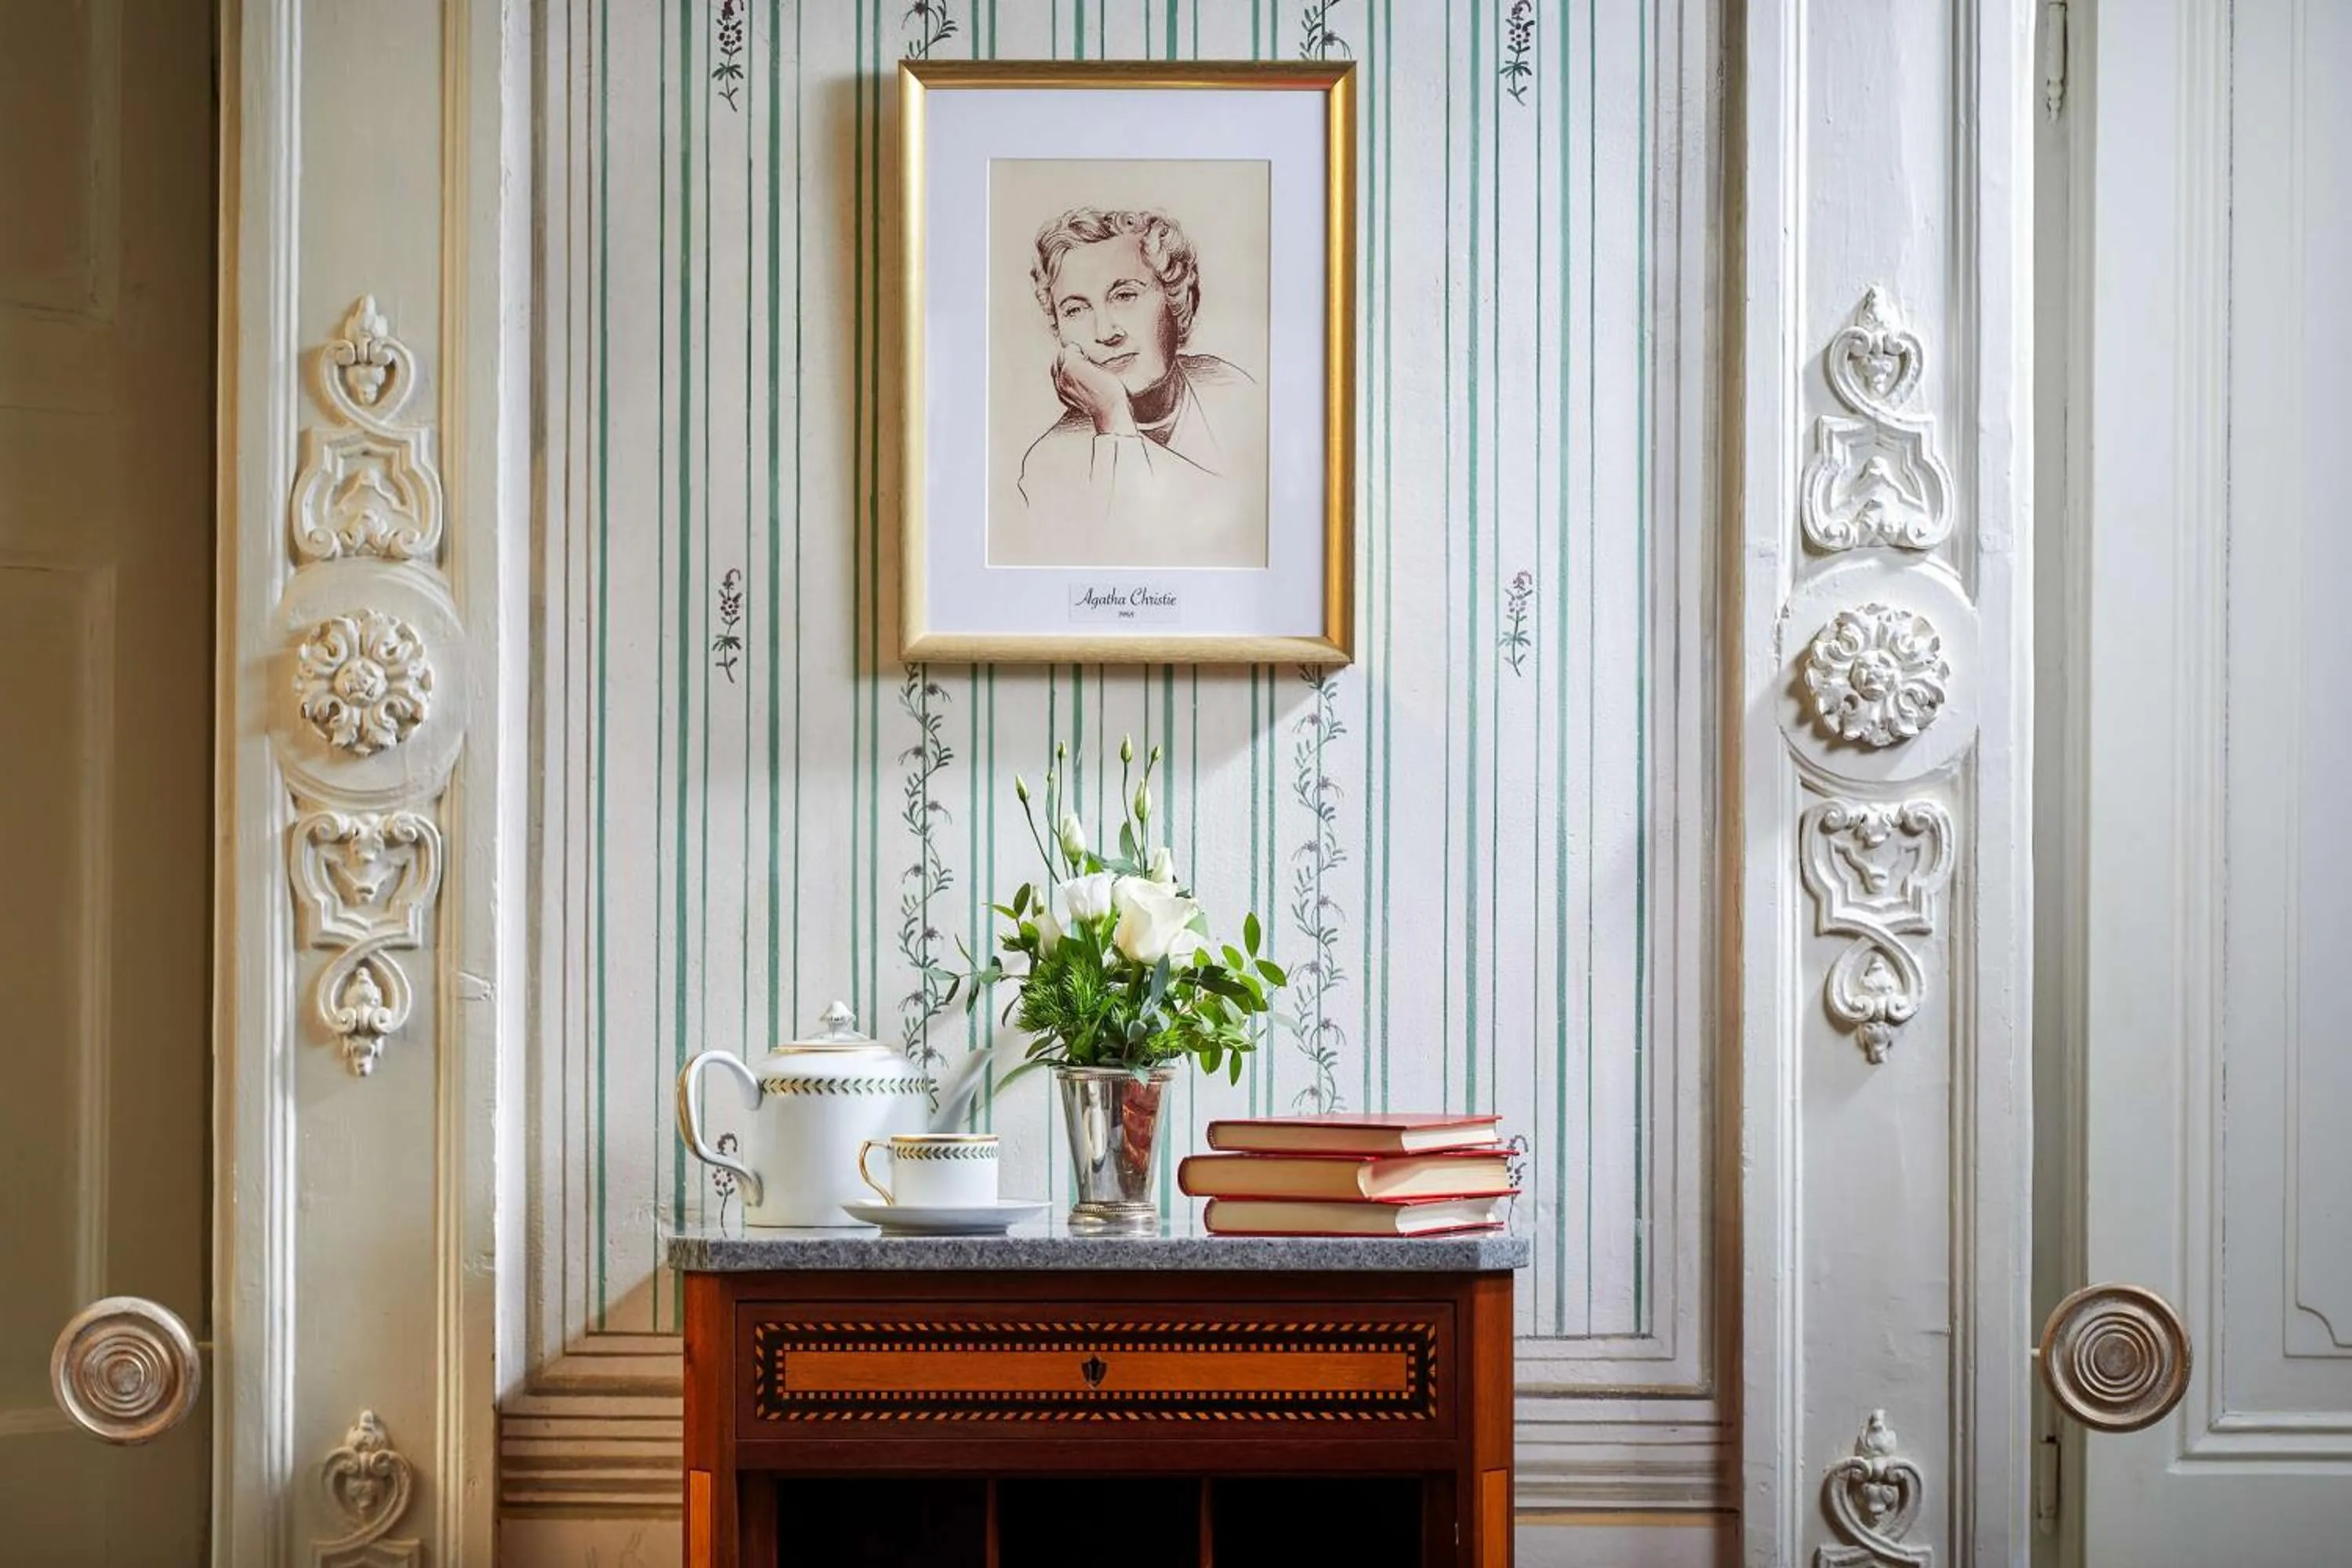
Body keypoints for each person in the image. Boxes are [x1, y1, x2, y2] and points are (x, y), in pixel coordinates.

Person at [1001, 206, 1267, 569]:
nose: (1106, 332)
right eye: (1076, 310)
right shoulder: (1049, 465)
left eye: (1124, 296)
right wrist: (1112, 419)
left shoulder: (1238, 392)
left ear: (1179, 300)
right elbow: (1128, 558)